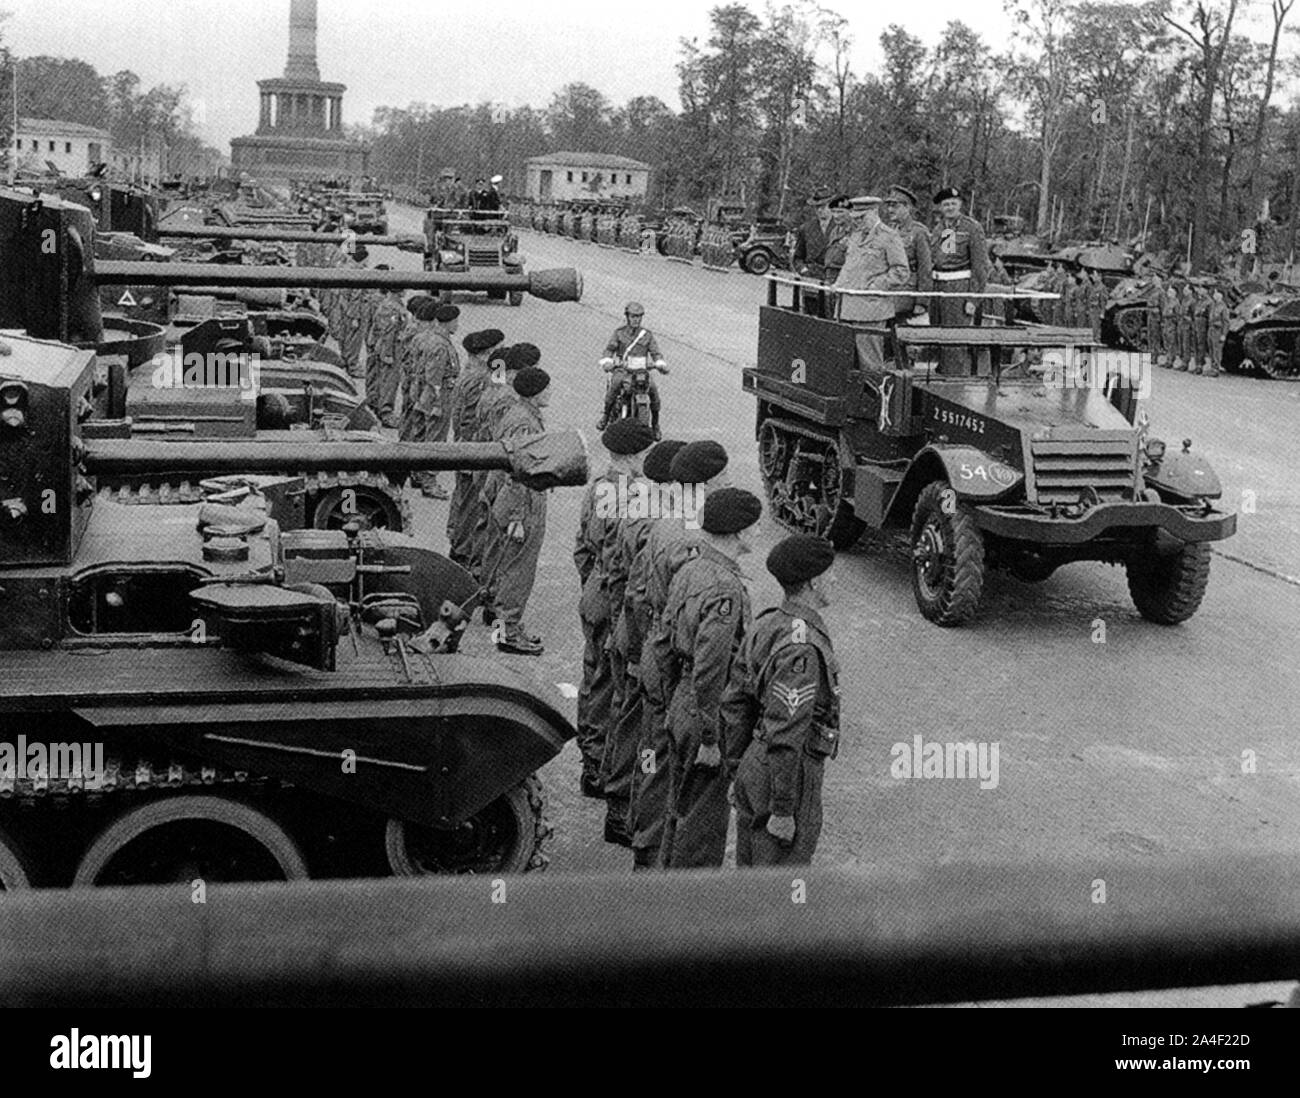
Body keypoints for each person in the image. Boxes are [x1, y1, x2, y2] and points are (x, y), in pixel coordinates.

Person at [630, 439, 730, 870]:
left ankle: (644, 841)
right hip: (670, 661)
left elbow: (638, 594)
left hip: (655, 649)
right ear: (706, 485)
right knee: (660, 760)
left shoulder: (667, 524)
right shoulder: (688, 539)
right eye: (722, 477)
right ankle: (650, 852)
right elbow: (682, 624)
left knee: (652, 755)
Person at [660, 487, 762, 870]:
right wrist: (709, 737)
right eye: (753, 527)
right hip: (709, 710)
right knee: (703, 825)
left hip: (683, 700)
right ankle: (688, 918)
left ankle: (664, 898)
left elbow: (666, 640)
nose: (757, 533)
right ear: (738, 533)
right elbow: (712, 665)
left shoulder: (691, 568)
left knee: (678, 810)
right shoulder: (725, 587)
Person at [730, 535, 841, 867]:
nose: (834, 580)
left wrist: (737, 771)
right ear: (813, 582)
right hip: (786, 773)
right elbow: (787, 731)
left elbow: (735, 702)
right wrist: (782, 808)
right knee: (781, 883)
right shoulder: (803, 647)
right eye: (830, 574)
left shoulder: (767, 623)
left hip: (754, 762)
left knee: (750, 872)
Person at [606, 439, 687, 846]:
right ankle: (626, 812)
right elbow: (639, 593)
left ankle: (623, 807)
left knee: (629, 722)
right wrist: (639, 653)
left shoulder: (640, 507)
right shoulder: (658, 522)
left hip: (631, 630)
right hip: (642, 638)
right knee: (639, 732)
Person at [574, 418, 657, 801]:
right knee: (610, 687)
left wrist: (592, 584)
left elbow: (583, 548)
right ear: (635, 456)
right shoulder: (630, 496)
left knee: (594, 678)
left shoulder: (600, 487)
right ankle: (599, 765)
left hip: (595, 594)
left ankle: (591, 764)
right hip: (612, 601)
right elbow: (624, 565)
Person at [483, 365, 553, 655]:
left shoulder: (522, 414)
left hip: (513, 500)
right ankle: (507, 632)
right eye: (547, 388)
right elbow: (518, 472)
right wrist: (517, 518)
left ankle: (501, 619)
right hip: (521, 503)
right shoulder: (525, 423)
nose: (550, 393)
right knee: (518, 570)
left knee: (507, 565)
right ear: (536, 393)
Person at [446, 328, 506, 569]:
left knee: (463, 500)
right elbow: (470, 420)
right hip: (473, 450)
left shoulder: (472, 372)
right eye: (497, 350)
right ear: (486, 353)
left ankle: (457, 543)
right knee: (471, 506)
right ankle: (462, 554)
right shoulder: (480, 380)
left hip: (465, 446)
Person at [832, 196, 909, 372]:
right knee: (844, 362)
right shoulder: (855, 236)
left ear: (874, 213)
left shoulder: (889, 237)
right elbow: (849, 265)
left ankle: (874, 397)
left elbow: (901, 271)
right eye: (855, 218)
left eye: (862, 217)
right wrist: (838, 284)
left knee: (870, 365)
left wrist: (876, 285)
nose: (858, 222)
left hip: (871, 310)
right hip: (847, 307)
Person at [929, 187, 990, 376]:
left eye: (953, 204)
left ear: (960, 205)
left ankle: (955, 382)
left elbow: (980, 267)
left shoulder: (971, 228)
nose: (949, 207)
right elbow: (943, 259)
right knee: (937, 335)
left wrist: (973, 299)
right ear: (940, 207)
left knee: (954, 340)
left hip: (958, 289)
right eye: (945, 204)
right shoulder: (941, 228)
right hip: (938, 288)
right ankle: (941, 376)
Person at [411, 304, 461, 498]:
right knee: (435, 440)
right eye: (455, 321)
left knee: (423, 435)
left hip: (424, 395)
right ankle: (429, 482)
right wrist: (438, 405)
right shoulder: (440, 345)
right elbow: (434, 379)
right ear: (447, 322)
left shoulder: (428, 338)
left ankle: (417, 473)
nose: (457, 325)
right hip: (437, 398)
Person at [599, 302, 667, 439]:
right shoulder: (619, 334)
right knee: (614, 387)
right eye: (633, 316)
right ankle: (605, 416)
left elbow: (655, 352)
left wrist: (660, 363)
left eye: (639, 317)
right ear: (627, 317)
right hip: (623, 371)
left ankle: (655, 425)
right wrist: (607, 361)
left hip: (642, 372)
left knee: (653, 392)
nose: (636, 319)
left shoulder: (647, 335)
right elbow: (609, 349)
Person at [883, 185, 933, 320]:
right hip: (889, 294)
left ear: (908, 208)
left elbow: (925, 269)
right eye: (889, 206)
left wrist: (922, 302)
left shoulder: (918, 232)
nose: (890, 210)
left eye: (895, 206)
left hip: (908, 297)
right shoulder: (889, 230)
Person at [364, 268, 406, 428]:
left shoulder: (392, 304)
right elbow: (388, 332)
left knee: (381, 379)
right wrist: (388, 354)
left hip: (389, 347)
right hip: (391, 349)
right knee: (389, 382)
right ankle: (386, 412)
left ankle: (376, 406)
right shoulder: (391, 307)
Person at [792, 187, 836, 314]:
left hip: (832, 281)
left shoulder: (841, 227)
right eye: (817, 207)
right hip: (812, 279)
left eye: (823, 206)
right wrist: (803, 270)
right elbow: (798, 257)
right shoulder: (806, 229)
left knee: (831, 318)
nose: (820, 210)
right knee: (810, 319)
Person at [1206, 287, 1229, 378]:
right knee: (1211, 349)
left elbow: (1226, 322)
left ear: (1220, 295)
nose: (1214, 295)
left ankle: (1216, 369)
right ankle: (1212, 367)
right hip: (1211, 329)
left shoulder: (1223, 307)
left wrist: (1224, 334)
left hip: (1218, 330)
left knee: (1217, 350)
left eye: (1216, 293)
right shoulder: (1213, 305)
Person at [1191, 282, 1211, 375]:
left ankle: (1200, 366)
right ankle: (1196, 364)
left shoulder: (1209, 302)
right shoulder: (1198, 301)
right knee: (1195, 344)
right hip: (1196, 323)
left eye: (1202, 289)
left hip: (1203, 324)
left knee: (1200, 345)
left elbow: (1210, 317)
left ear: (1206, 291)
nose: (1200, 290)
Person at [1146, 273, 1166, 365]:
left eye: (1155, 280)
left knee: (1155, 336)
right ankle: (1151, 355)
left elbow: (1163, 306)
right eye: (1153, 280)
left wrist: (1162, 319)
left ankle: (1155, 356)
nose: (1153, 281)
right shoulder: (1152, 290)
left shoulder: (1161, 292)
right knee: (1150, 336)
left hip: (1156, 315)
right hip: (1150, 313)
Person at [1161, 283, 1180, 369]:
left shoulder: (1176, 303)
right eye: (1168, 291)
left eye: (1170, 291)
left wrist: (1173, 323)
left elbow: (1177, 315)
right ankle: (1167, 359)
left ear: (1174, 293)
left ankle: (1170, 360)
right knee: (1166, 342)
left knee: (1171, 343)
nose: (1168, 293)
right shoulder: (1167, 302)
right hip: (1166, 323)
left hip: (1171, 324)